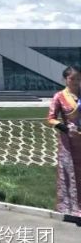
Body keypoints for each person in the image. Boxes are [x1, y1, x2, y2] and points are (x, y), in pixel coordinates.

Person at [47, 66, 81, 216]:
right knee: (71, 172)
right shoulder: (59, 96)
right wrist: (64, 128)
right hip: (70, 141)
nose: (76, 81)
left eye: (79, 78)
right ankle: (74, 207)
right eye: (72, 78)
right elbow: (50, 118)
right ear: (65, 79)